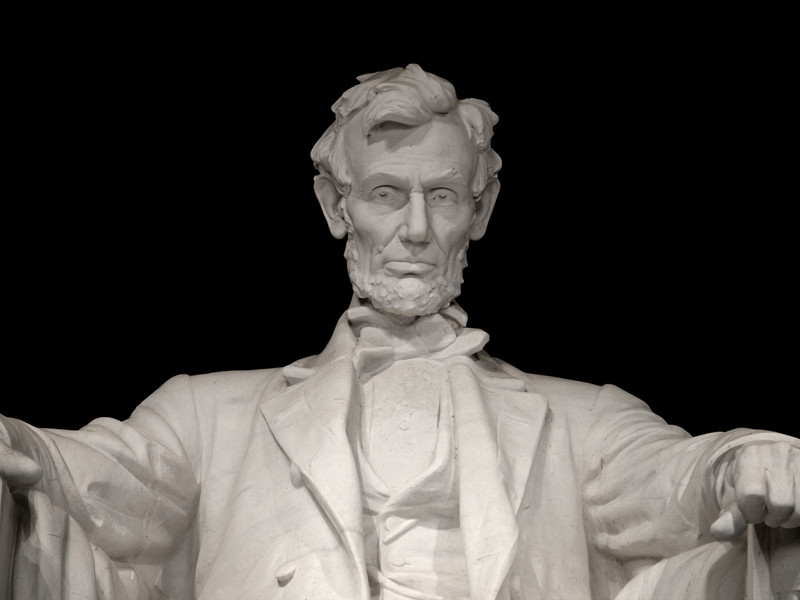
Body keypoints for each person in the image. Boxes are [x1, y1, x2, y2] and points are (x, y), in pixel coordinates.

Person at [1, 63, 798, 600]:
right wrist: (20, 446)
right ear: (335, 206)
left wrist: (744, 457)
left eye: (442, 198)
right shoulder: (207, 417)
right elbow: (97, 482)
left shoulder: (582, 421)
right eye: (387, 194)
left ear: (480, 211)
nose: (415, 229)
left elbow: (674, 483)